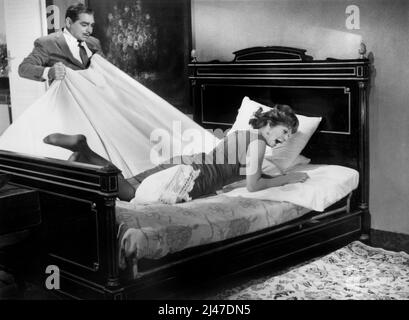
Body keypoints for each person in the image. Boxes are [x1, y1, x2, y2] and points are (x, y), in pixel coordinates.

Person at [43, 105, 309, 202]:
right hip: (198, 175)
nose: (284, 140)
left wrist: (264, 173)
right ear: (270, 124)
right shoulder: (260, 144)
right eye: (284, 132)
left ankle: (83, 154)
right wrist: (287, 179)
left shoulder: (240, 134)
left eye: (289, 137)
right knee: (128, 194)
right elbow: (253, 186)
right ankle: (84, 150)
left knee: (129, 185)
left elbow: (239, 169)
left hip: (187, 162)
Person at [18, 3, 102, 83]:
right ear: (69, 22)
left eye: (92, 25)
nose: (90, 31)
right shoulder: (47, 43)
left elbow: (105, 70)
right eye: (84, 25)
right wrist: (48, 72)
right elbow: (24, 68)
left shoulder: (94, 42)